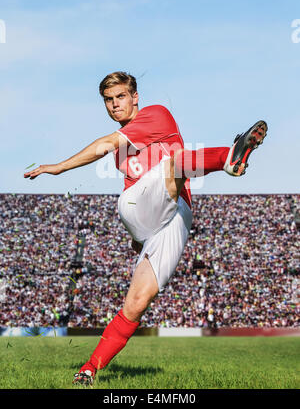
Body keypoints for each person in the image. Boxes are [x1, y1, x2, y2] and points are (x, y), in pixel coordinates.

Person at [24, 71, 268, 385]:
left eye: (120, 97)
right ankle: (228, 158)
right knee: (168, 168)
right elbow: (136, 196)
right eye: (109, 101)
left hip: (176, 215)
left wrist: (57, 167)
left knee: (137, 303)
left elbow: (106, 143)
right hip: (139, 207)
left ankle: (88, 369)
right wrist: (138, 236)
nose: (115, 105)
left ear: (135, 97)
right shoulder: (123, 155)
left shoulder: (156, 115)